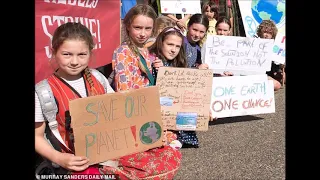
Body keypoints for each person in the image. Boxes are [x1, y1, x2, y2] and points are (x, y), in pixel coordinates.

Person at [35, 22, 115, 177]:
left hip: (107, 152)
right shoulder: (44, 92)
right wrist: (58, 158)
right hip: (73, 162)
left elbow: (116, 112)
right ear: (54, 52)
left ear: (90, 53)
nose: (74, 62)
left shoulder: (98, 78)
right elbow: (36, 137)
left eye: (82, 55)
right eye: (67, 54)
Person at [111, 4, 182, 178]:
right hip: (134, 112)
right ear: (127, 26)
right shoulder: (122, 52)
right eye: (137, 27)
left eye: (148, 28)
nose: (143, 33)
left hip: (147, 109)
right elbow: (125, 91)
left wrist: (156, 68)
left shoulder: (144, 49)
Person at [255, 20, 285, 89]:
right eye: (265, 32)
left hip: (272, 71)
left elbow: (278, 61)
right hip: (260, 73)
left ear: (273, 34)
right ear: (260, 32)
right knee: (277, 85)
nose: (266, 35)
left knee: (283, 77)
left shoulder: (276, 46)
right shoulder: (255, 43)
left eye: (269, 33)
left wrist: (281, 65)